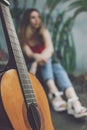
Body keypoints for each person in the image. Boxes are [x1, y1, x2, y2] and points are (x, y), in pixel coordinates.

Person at [19, 8, 87, 118]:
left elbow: (50, 49)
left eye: (38, 17)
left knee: (54, 64)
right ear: (27, 20)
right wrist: (36, 62)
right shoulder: (23, 37)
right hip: (32, 70)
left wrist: (39, 60)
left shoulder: (44, 31)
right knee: (50, 61)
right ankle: (63, 97)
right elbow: (30, 54)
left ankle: (72, 101)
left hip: (45, 66)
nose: (37, 20)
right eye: (33, 17)